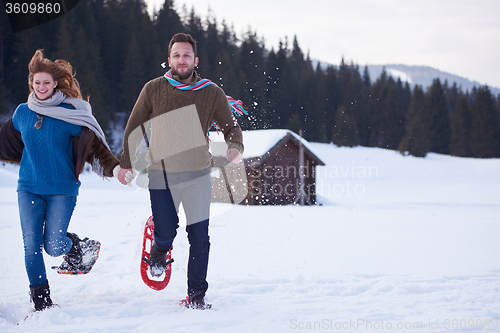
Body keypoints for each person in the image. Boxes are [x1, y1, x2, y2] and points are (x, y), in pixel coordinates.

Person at [117, 33, 244, 309]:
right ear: (169, 60)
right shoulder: (153, 89)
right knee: (167, 230)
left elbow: (231, 126)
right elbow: (134, 125)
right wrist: (126, 161)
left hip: (198, 173)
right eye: (176, 55)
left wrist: (235, 145)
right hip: (161, 173)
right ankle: (159, 248)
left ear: (195, 60)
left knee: (199, 236)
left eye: (186, 55)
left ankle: (196, 297)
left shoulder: (212, 92)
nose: (181, 60)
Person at [0, 50, 130, 312]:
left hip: (62, 189)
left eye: (46, 82)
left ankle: (78, 247)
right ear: (31, 83)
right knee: (31, 247)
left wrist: (115, 170)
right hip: (28, 187)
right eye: (36, 82)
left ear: (56, 83)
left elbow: (95, 151)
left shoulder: (71, 114)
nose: (41, 87)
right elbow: (6, 141)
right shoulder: (23, 113)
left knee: (54, 245)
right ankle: (42, 304)